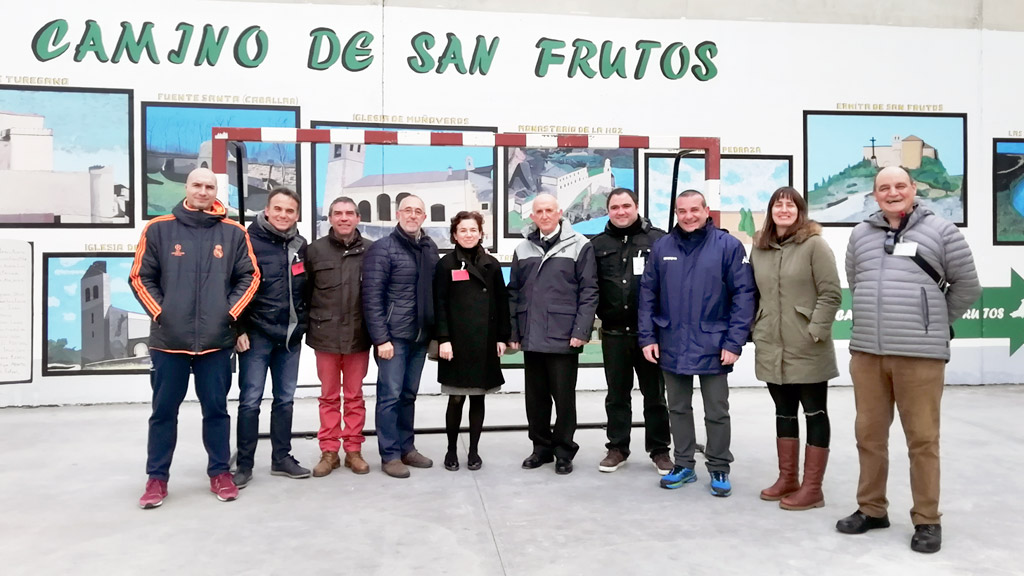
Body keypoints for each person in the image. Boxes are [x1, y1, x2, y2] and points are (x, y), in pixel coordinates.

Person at [837, 166, 981, 554]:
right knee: (868, 436)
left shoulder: (942, 232)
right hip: (867, 353)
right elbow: (857, 282)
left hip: (920, 356)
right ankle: (871, 509)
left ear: (914, 189)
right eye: (884, 187)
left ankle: (927, 519)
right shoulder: (861, 235)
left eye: (900, 185)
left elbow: (968, 286)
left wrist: (934, 322)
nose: (893, 192)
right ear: (875, 194)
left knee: (922, 440)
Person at [129, 168, 260, 508]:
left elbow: (250, 276)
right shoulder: (158, 229)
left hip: (216, 342)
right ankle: (156, 479)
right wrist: (162, 313)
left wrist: (228, 314)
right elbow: (140, 277)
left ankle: (220, 473)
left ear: (217, 191)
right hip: (168, 341)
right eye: (197, 185)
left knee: (216, 411)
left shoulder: (233, 232)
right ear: (187, 188)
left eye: (210, 187)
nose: (203, 191)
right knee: (163, 413)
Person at [639, 190, 755, 497]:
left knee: (716, 410)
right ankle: (684, 464)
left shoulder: (728, 246)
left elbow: (744, 297)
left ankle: (719, 466)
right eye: (682, 211)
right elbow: (648, 295)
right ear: (676, 213)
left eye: (694, 209)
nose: (688, 216)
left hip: (715, 345)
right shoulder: (662, 246)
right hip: (671, 341)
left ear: (706, 211)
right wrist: (648, 336)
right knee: (677, 408)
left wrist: (734, 342)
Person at [749, 187, 841, 510]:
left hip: (808, 347)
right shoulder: (758, 248)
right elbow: (753, 294)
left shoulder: (814, 245)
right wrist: (754, 328)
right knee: (784, 412)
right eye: (778, 204)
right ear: (771, 211)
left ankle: (812, 488)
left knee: (815, 412)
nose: (784, 209)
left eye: (791, 204)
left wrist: (814, 331)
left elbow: (831, 294)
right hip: (771, 346)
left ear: (800, 211)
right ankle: (787, 478)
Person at [508, 193, 598, 475]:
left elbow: (589, 291)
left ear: (560, 213)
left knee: (563, 397)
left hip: (564, 335)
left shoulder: (580, 245)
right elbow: (514, 291)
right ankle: (541, 448)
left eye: (549, 210)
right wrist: (514, 331)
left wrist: (581, 330)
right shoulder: (523, 248)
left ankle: (563, 450)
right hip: (531, 336)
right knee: (535, 398)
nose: (544, 215)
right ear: (532, 216)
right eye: (539, 211)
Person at [233, 188, 310, 488]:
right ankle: (244, 464)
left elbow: (307, 290)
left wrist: (302, 325)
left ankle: (281, 458)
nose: (283, 215)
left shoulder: (301, 245)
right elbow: (233, 288)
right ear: (266, 210)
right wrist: (238, 329)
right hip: (255, 336)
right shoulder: (247, 243)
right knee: (250, 400)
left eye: (289, 211)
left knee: (285, 399)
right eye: (277, 209)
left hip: (290, 338)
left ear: (297, 215)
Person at [590, 188, 672, 474]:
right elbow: (592, 287)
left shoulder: (659, 240)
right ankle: (617, 448)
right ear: (608, 211)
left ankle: (660, 450)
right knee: (616, 395)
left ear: (637, 207)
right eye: (615, 207)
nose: (621, 211)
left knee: (655, 395)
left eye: (626, 206)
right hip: (613, 333)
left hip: (649, 335)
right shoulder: (597, 244)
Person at [362, 195, 440, 478]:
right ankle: (390, 454)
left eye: (418, 211)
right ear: (398, 213)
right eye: (408, 210)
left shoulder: (429, 248)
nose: (412, 215)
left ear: (424, 217)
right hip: (393, 339)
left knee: (408, 395)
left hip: (419, 337)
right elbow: (372, 298)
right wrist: (381, 339)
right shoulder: (383, 249)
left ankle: (407, 448)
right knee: (390, 396)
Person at [433, 211, 511, 471]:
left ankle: (474, 452)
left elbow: (501, 302)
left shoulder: (491, 264)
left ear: (481, 233)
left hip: (485, 341)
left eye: (473, 230)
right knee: (455, 398)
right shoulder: (446, 265)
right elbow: (439, 305)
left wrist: (502, 336)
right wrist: (443, 339)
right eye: (463, 230)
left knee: (479, 398)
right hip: (455, 344)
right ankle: (451, 450)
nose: (468, 234)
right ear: (455, 235)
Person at [306, 196, 374, 477]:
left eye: (349, 213)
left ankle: (354, 450)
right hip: (325, 336)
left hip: (359, 335)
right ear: (330, 218)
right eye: (338, 213)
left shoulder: (372, 251)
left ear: (358, 218)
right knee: (329, 396)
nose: (344, 218)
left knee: (355, 396)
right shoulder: (314, 251)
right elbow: (305, 292)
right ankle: (330, 451)